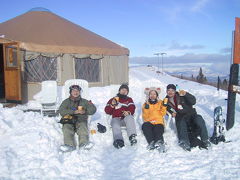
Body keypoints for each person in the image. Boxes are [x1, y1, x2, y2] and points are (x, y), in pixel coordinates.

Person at [165, 84, 211, 151]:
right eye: (168, 90)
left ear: (175, 91)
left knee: (199, 118)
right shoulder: (166, 101)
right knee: (180, 121)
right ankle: (184, 142)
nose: (170, 92)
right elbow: (165, 109)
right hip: (181, 117)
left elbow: (193, 101)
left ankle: (205, 139)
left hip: (191, 115)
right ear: (166, 91)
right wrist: (171, 113)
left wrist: (186, 94)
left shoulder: (181, 95)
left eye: (172, 90)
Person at [59, 85, 97, 152]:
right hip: (69, 120)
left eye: (77, 91)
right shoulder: (66, 102)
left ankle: (83, 144)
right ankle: (69, 145)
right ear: (70, 92)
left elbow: (93, 109)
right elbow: (61, 111)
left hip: (81, 120)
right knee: (66, 128)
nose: (75, 92)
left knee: (83, 128)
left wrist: (85, 111)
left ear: (79, 92)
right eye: (73, 91)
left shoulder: (85, 101)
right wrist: (73, 111)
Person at [105, 84, 137, 149]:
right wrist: (112, 105)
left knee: (130, 117)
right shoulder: (113, 99)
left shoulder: (129, 99)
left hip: (126, 119)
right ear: (119, 90)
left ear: (127, 92)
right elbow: (107, 111)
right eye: (122, 90)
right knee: (114, 121)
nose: (124, 91)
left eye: (126, 90)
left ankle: (132, 137)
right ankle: (118, 140)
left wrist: (128, 112)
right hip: (116, 118)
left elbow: (132, 107)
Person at [142, 88, 167, 152]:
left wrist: (164, 106)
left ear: (157, 95)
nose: (152, 95)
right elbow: (145, 117)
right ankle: (151, 142)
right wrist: (146, 108)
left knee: (158, 129)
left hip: (158, 122)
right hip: (150, 122)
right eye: (151, 94)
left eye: (154, 94)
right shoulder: (145, 104)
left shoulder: (161, 102)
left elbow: (163, 113)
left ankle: (160, 143)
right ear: (149, 95)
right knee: (145, 125)